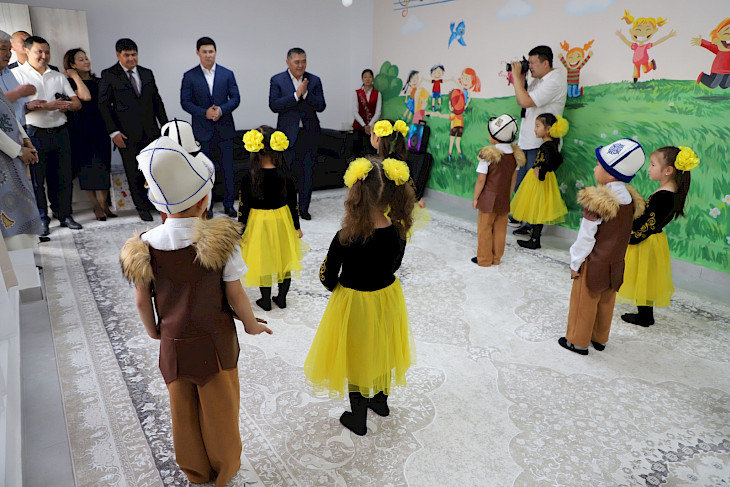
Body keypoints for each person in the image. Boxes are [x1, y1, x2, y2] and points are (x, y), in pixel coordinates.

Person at [120, 135, 272, 487]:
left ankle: (195, 470)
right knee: (220, 411)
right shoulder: (221, 243)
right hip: (216, 344)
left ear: (158, 205)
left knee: (182, 411)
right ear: (205, 200)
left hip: (174, 343)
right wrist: (250, 324)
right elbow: (235, 293)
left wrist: (155, 331)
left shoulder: (144, 246)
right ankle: (224, 469)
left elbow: (142, 301)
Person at [303, 156, 416, 436]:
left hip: (354, 302)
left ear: (356, 194)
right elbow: (395, 265)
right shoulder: (398, 231)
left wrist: (340, 289)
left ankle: (358, 417)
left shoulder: (346, 235)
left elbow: (327, 276)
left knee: (357, 355)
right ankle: (381, 402)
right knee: (383, 347)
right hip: (387, 298)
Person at [559, 138, 645, 355]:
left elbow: (586, 237)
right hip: (615, 262)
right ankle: (600, 338)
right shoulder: (629, 200)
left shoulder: (597, 201)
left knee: (584, 301)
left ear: (611, 173)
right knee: (606, 300)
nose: (595, 168)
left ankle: (577, 341)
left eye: (599, 165)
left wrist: (576, 261)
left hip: (594, 261)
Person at [618, 146, 698, 327]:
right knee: (645, 277)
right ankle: (645, 315)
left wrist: (633, 237)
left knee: (643, 277)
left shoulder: (664, 196)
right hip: (652, 239)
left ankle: (645, 317)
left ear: (668, 170)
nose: (649, 168)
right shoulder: (668, 192)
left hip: (646, 240)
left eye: (653, 165)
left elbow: (650, 223)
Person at [12, 35, 82, 236]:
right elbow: (12, 108)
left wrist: (66, 105)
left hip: (60, 132)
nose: (44, 56)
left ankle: (65, 215)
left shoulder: (57, 75)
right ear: (27, 51)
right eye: (39, 52)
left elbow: (77, 103)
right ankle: (42, 219)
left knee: (63, 178)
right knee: (37, 181)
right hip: (34, 134)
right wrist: (45, 106)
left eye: (47, 52)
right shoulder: (16, 75)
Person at [98, 38, 168, 222]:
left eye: (134, 54)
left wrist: (165, 126)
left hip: (151, 132)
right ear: (118, 55)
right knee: (134, 172)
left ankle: (157, 203)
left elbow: (157, 101)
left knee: (154, 170)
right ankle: (142, 207)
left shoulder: (146, 73)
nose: (131, 58)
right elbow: (103, 106)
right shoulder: (109, 75)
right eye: (127, 55)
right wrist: (113, 132)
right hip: (126, 134)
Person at [238, 126, 305, 311]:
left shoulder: (249, 176)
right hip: (282, 220)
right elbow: (293, 203)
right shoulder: (286, 174)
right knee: (285, 258)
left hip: (258, 222)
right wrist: (297, 227)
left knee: (263, 259)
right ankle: (282, 298)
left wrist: (240, 231)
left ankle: (265, 300)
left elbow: (243, 207)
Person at [509, 45, 567, 232]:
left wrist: (515, 77)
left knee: (535, 187)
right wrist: (521, 78)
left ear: (546, 63)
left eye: (532, 63)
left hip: (541, 144)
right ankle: (525, 219)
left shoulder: (554, 81)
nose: (530, 66)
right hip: (527, 141)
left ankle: (532, 227)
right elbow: (523, 99)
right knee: (521, 184)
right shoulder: (537, 81)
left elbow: (525, 101)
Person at [181, 37, 240, 218]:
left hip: (225, 129)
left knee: (228, 169)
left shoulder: (227, 74)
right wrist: (204, 113)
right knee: (204, 170)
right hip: (202, 131)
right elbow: (185, 102)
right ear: (198, 53)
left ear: (215, 52)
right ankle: (207, 207)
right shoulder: (189, 76)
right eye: (205, 52)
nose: (208, 55)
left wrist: (221, 110)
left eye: (211, 51)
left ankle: (229, 205)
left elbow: (236, 98)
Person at [269, 47, 326, 221]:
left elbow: (321, 106)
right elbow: (274, 105)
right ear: (288, 62)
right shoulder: (277, 80)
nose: (300, 65)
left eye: (303, 61)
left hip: (309, 134)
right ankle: (286, 207)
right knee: (285, 174)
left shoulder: (314, 80)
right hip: (287, 135)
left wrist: (306, 94)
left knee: (307, 173)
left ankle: (304, 208)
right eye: (297, 62)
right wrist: (295, 95)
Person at [63, 48, 115, 221]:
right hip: (80, 130)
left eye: (86, 58)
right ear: (72, 64)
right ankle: (95, 206)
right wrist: (75, 76)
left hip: (100, 128)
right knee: (86, 169)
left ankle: (104, 204)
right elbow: (85, 96)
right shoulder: (69, 84)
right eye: (81, 59)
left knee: (104, 166)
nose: (86, 61)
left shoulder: (99, 81)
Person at [510, 113, 569, 249]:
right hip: (541, 179)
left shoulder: (547, 146)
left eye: (538, 126)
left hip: (539, 180)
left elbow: (551, 160)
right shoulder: (549, 144)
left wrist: (541, 172)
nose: (535, 129)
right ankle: (534, 238)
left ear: (548, 129)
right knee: (537, 207)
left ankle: (535, 239)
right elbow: (557, 159)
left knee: (537, 207)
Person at [471, 114, 524, 266]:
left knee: (485, 228)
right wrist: (508, 196)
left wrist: (475, 198)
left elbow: (481, 180)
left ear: (494, 138)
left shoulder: (488, 156)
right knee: (500, 229)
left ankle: (484, 259)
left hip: (488, 199)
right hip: (504, 198)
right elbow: (513, 179)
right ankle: (496, 258)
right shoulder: (515, 157)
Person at [0, 84, 43, 249]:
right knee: (10, 212)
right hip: (5, 159)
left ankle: (26, 255)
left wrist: (26, 140)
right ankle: (18, 257)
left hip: (14, 157)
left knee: (22, 205)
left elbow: (10, 115)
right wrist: (18, 150)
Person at [370, 118, 427, 209]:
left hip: (381, 207)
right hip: (397, 207)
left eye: (371, 135)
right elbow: (409, 184)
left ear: (377, 138)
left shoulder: (374, 164)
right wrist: (416, 199)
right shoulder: (401, 162)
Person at [0, 31, 35, 126]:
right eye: (3, 49)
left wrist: (29, 107)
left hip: (20, 128)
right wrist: (18, 93)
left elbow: (19, 105)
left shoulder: (7, 72)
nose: (9, 54)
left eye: (9, 50)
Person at [351, 68, 381, 157]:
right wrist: (364, 125)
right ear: (362, 79)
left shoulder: (377, 94)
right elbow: (354, 111)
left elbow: (378, 112)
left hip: (372, 128)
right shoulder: (357, 93)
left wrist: (370, 126)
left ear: (373, 79)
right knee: (357, 152)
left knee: (371, 152)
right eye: (365, 77)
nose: (367, 79)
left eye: (369, 77)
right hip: (358, 127)